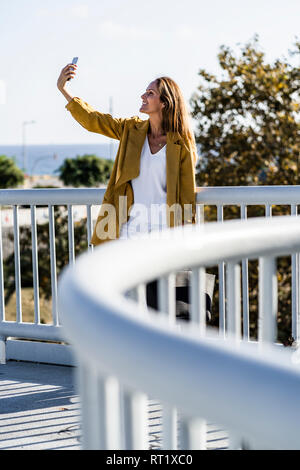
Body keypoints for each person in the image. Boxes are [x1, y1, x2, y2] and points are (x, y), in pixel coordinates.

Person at [57, 62, 214, 321]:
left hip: (165, 231)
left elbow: (186, 194)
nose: (143, 96)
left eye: (150, 93)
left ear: (164, 102)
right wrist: (64, 91)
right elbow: (94, 120)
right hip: (129, 229)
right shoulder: (131, 129)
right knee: (122, 301)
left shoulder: (181, 143)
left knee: (162, 307)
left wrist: (187, 234)